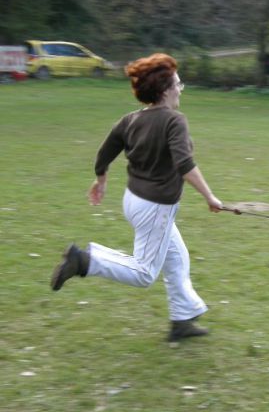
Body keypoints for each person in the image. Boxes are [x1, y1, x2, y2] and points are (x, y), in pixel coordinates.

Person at [50, 53, 223, 342]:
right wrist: (210, 197)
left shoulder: (131, 119)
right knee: (144, 273)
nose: (181, 89)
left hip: (135, 200)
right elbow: (185, 165)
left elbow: (105, 151)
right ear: (165, 89)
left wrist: (101, 179)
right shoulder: (174, 121)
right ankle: (84, 261)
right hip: (155, 207)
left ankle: (182, 320)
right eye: (178, 84)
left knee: (177, 259)